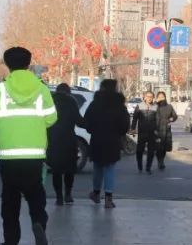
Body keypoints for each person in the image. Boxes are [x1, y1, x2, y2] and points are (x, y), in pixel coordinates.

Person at [0, 47, 57, 245]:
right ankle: (38, 223)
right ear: (28, 64)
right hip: (34, 153)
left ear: (8, 65)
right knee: (36, 194)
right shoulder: (42, 89)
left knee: (10, 198)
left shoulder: (1, 90)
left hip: (8, 154)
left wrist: (6, 125)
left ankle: (11, 241)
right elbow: (51, 117)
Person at [83, 79, 130, 208]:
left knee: (98, 167)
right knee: (110, 168)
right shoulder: (119, 105)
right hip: (113, 140)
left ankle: (96, 193)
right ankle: (108, 198)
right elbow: (125, 123)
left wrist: (93, 130)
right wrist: (119, 133)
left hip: (97, 139)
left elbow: (87, 121)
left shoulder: (95, 104)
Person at [47, 83, 84, 206]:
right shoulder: (71, 101)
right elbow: (79, 121)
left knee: (56, 170)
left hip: (53, 139)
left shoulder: (50, 100)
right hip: (69, 139)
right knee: (69, 170)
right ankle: (68, 194)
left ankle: (59, 197)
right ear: (68, 92)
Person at [131, 90, 158, 174]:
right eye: (147, 96)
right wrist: (133, 129)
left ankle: (148, 167)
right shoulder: (139, 106)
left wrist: (158, 131)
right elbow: (135, 118)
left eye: (151, 97)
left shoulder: (156, 107)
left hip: (152, 132)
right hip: (142, 132)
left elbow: (158, 120)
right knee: (139, 150)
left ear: (153, 98)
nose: (149, 98)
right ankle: (140, 166)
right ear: (144, 97)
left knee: (151, 151)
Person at [153, 90, 177, 171]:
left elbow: (175, 116)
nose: (161, 98)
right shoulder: (154, 107)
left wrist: (171, 120)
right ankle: (159, 161)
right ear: (157, 98)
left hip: (166, 129)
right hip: (157, 128)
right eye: (159, 97)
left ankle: (162, 160)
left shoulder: (169, 106)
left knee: (164, 147)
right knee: (158, 147)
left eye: (162, 97)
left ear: (165, 97)